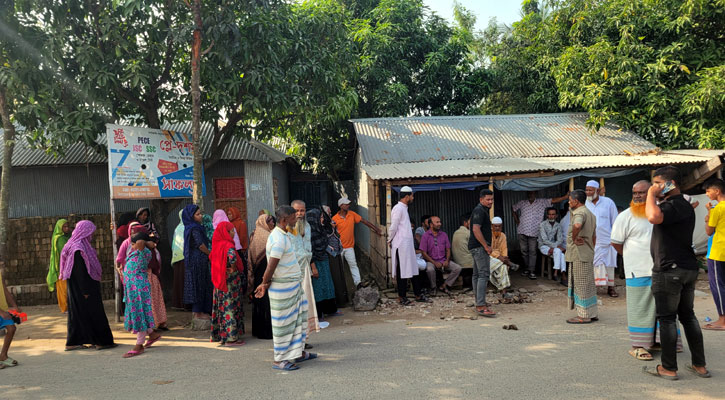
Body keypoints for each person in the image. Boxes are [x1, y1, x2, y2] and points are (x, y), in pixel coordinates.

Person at [643, 166, 709, 380]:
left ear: (670, 184)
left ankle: (669, 368)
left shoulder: (672, 206)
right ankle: (700, 365)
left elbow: (652, 217)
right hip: (687, 268)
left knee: (668, 319)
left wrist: (651, 195)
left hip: (669, 270)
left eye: (658, 183)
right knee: (688, 317)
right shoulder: (683, 206)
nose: (654, 187)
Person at [611, 180, 683, 361]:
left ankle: (661, 341)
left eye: (642, 192)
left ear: (652, 192)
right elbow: (616, 243)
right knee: (640, 308)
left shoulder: (660, 213)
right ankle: (638, 346)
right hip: (637, 270)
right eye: (634, 193)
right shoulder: (625, 216)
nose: (637, 196)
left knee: (664, 307)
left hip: (662, 269)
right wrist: (631, 257)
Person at [255, 206, 315, 371]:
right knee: (284, 324)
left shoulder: (285, 235)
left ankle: (298, 353)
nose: (296, 220)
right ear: (284, 220)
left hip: (293, 286)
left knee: (298, 320)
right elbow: (272, 265)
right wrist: (264, 283)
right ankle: (280, 360)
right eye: (293, 218)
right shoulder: (279, 239)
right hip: (283, 288)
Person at [59, 220, 116, 351]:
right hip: (84, 287)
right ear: (85, 232)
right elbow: (80, 271)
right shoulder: (78, 248)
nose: (92, 235)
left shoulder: (73, 245)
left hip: (77, 287)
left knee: (78, 314)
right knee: (95, 313)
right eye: (90, 232)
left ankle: (73, 341)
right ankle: (101, 341)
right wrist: (85, 290)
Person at [122, 232, 162, 358]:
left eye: (134, 244)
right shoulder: (135, 252)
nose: (132, 246)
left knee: (139, 314)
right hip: (132, 289)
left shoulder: (145, 252)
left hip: (139, 289)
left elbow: (140, 245)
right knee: (142, 313)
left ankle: (139, 345)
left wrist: (147, 243)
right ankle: (152, 334)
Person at [512, 190, 569, 279]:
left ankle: (532, 271)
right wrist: (517, 221)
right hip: (522, 230)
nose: (531, 194)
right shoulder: (522, 203)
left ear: (536, 194)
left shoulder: (541, 202)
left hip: (534, 232)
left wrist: (565, 197)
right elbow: (513, 208)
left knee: (532, 252)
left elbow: (553, 200)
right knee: (524, 251)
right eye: (529, 193)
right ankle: (527, 268)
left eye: (532, 193)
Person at [389, 187, 430, 305]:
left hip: (407, 245)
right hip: (401, 245)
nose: (412, 198)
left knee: (412, 269)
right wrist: (389, 239)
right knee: (402, 271)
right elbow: (393, 227)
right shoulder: (398, 208)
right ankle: (402, 297)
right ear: (407, 197)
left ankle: (417, 294)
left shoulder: (404, 208)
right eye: (412, 196)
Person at [332, 196, 383, 289]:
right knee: (340, 268)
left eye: (348, 204)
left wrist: (376, 229)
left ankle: (358, 283)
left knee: (353, 265)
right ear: (341, 205)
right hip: (339, 248)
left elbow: (364, 221)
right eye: (346, 204)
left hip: (349, 246)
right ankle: (341, 287)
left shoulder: (352, 214)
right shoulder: (334, 219)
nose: (348, 205)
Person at [210, 221, 246, 347]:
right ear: (226, 232)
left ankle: (222, 336)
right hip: (229, 281)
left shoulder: (216, 245)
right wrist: (233, 266)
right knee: (230, 306)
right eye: (231, 231)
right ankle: (232, 338)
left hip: (219, 281)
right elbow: (232, 258)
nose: (233, 233)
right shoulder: (228, 245)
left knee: (221, 307)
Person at [565, 190, 598, 324]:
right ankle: (592, 312)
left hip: (579, 254)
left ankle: (584, 315)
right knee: (589, 284)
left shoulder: (579, 213)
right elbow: (594, 236)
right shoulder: (590, 214)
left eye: (570, 200)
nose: (568, 202)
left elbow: (577, 225)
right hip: (587, 253)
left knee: (581, 285)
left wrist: (574, 238)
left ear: (576, 201)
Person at [585, 180, 620, 297]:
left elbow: (615, 221)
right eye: (587, 190)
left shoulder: (608, 202)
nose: (588, 192)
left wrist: (615, 239)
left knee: (609, 264)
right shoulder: (585, 204)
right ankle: (593, 288)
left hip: (607, 240)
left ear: (598, 191)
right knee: (592, 264)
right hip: (590, 241)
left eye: (590, 190)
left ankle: (611, 288)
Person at [291, 200, 321, 334]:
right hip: (292, 271)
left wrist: (312, 266)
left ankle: (304, 336)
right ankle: (297, 337)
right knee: (295, 305)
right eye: (296, 211)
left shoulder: (307, 226)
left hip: (305, 270)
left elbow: (308, 249)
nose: (299, 213)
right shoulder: (287, 228)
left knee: (306, 303)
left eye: (302, 211)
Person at [182, 204, 213, 320]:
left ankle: (200, 311)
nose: (200, 216)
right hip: (198, 260)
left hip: (195, 259)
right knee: (199, 285)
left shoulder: (191, 227)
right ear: (191, 216)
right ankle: (199, 312)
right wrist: (210, 254)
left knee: (199, 284)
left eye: (200, 213)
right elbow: (200, 244)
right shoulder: (195, 228)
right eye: (197, 214)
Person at [307, 208, 339, 318]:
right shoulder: (309, 233)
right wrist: (314, 267)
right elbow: (310, 250)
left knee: (328, 285)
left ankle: (330, 310)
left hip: (324, 260)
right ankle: (319, 313)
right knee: (318, 288)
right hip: (316, 262)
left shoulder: (320, 229)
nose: (322, 219)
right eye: (320, 217)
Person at [469, 189, 496, 317]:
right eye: (488, 199)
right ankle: (481, 305)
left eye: (491, 199)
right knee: (483, 274)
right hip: (479, 248)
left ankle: (479, 301)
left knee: (476, 275)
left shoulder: (481, 210)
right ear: (481, 200)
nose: (490, 202)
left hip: (476, 247)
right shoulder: (479, 210)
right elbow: (475, 229)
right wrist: (486, 246)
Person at [420, 216, 462, 296]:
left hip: (443, 260)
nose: (440, 224)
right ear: (431, 225)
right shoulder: (425, 236)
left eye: (440, 222)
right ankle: (433, 287)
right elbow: (423, 252)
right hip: (431, 260)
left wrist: (447, 260)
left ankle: (444, 285)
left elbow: (448, 249)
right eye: (437, 222)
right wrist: (434, 262)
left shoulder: (444, 235)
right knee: (430, 269)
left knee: (457, 268)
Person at [248, 213, 275, 340]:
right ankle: (267, 331)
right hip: (267, 271)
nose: (273, 224)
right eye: (270, 221)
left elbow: (250, 255)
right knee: (267, 300)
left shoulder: (253, 234)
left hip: (257, 271)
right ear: (265, 223)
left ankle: (258, 330)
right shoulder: (270, 236)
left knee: (258, 299)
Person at [704, 179, 725, 331]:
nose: (707, 194)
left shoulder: (718, 209)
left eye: (708, 190)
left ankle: (722, 320)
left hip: (718, 251)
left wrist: (708, 214)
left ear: (717, 191)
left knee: (718, 286)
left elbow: (709, 230)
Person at [47, 218, 71, 313]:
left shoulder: (68, 236)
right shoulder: (59, 238)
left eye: (67, 226)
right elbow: (64, 252)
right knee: (63, 289)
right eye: (64, 227)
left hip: (68, 265)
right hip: (61, 266)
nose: (67, 228)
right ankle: (64, 307)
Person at [489, 217, 517, 295]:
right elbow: (488, 250)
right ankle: (510, 263)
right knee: (502, 263)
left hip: (500, 259)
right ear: (492, 226)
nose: (497, 228)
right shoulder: (488, 235)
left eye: (499, 226)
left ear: (501, 226)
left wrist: (504, 257)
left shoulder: (503, 236)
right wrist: (499, 257)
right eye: (495, 226)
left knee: (503, 266)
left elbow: (504, 249)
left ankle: (503, 291)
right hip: (489, 257)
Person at [538, 207, 566, 283]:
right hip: (543, 246)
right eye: (549, 214)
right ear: (547, 215)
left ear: (556, 215)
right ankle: (561, 275)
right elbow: (544, 240)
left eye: (553, 214)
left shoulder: (558, 225)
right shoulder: (542, 225)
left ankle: (556, 273)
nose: (551, 216)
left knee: (560, 254)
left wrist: (555, 246)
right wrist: (556, 246)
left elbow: (560, 239)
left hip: (554, 247)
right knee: (558, 250)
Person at [0, 262, 20, 368]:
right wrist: (1, 312)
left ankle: (3, 355)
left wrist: (14, 305)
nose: (2, 263)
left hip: (3, 308)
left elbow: (5, 290)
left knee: (11, 328)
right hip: (1, 311)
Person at [451, 214, 473, 289]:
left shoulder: (455, 232)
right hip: (468, 264)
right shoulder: (468, 233)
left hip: (457, 261)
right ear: (465, 223)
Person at [170, 210, 186, 310]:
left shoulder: (178, 228)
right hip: (185, 257)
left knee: (179, 280)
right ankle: (185, 304)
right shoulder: (187, 227)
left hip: (177, 257)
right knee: (185, 281)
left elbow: (173, 244)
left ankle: (178, 304)